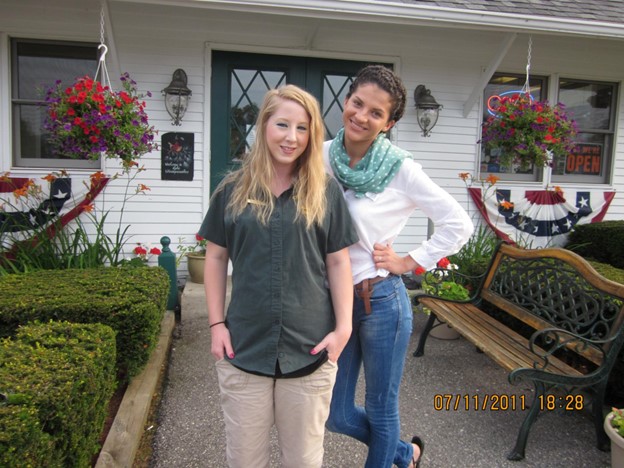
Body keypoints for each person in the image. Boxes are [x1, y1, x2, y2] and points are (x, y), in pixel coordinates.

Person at [199, 84, 358, 468]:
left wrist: (344, 330)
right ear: (263, 125)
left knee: (303, 461)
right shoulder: (231, 191)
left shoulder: (325, 193)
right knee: (244, 460)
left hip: (310, 350)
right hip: (244, 348)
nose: (291, 137)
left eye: (302, 128)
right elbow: (216, 258)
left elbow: (338, 262)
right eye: (282, 124)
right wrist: (216, 324)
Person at [324, 65, 474, 468]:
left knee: (380, 406)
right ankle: (406, 454)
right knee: (334, 415)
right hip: (336, 302)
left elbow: (459, 224)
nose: (362, 116)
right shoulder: (320, 157)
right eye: (357, 103)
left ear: (389, 123)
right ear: (346, 101)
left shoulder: (401, 169)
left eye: (376, 112)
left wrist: (409, 260)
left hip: (382, 303)